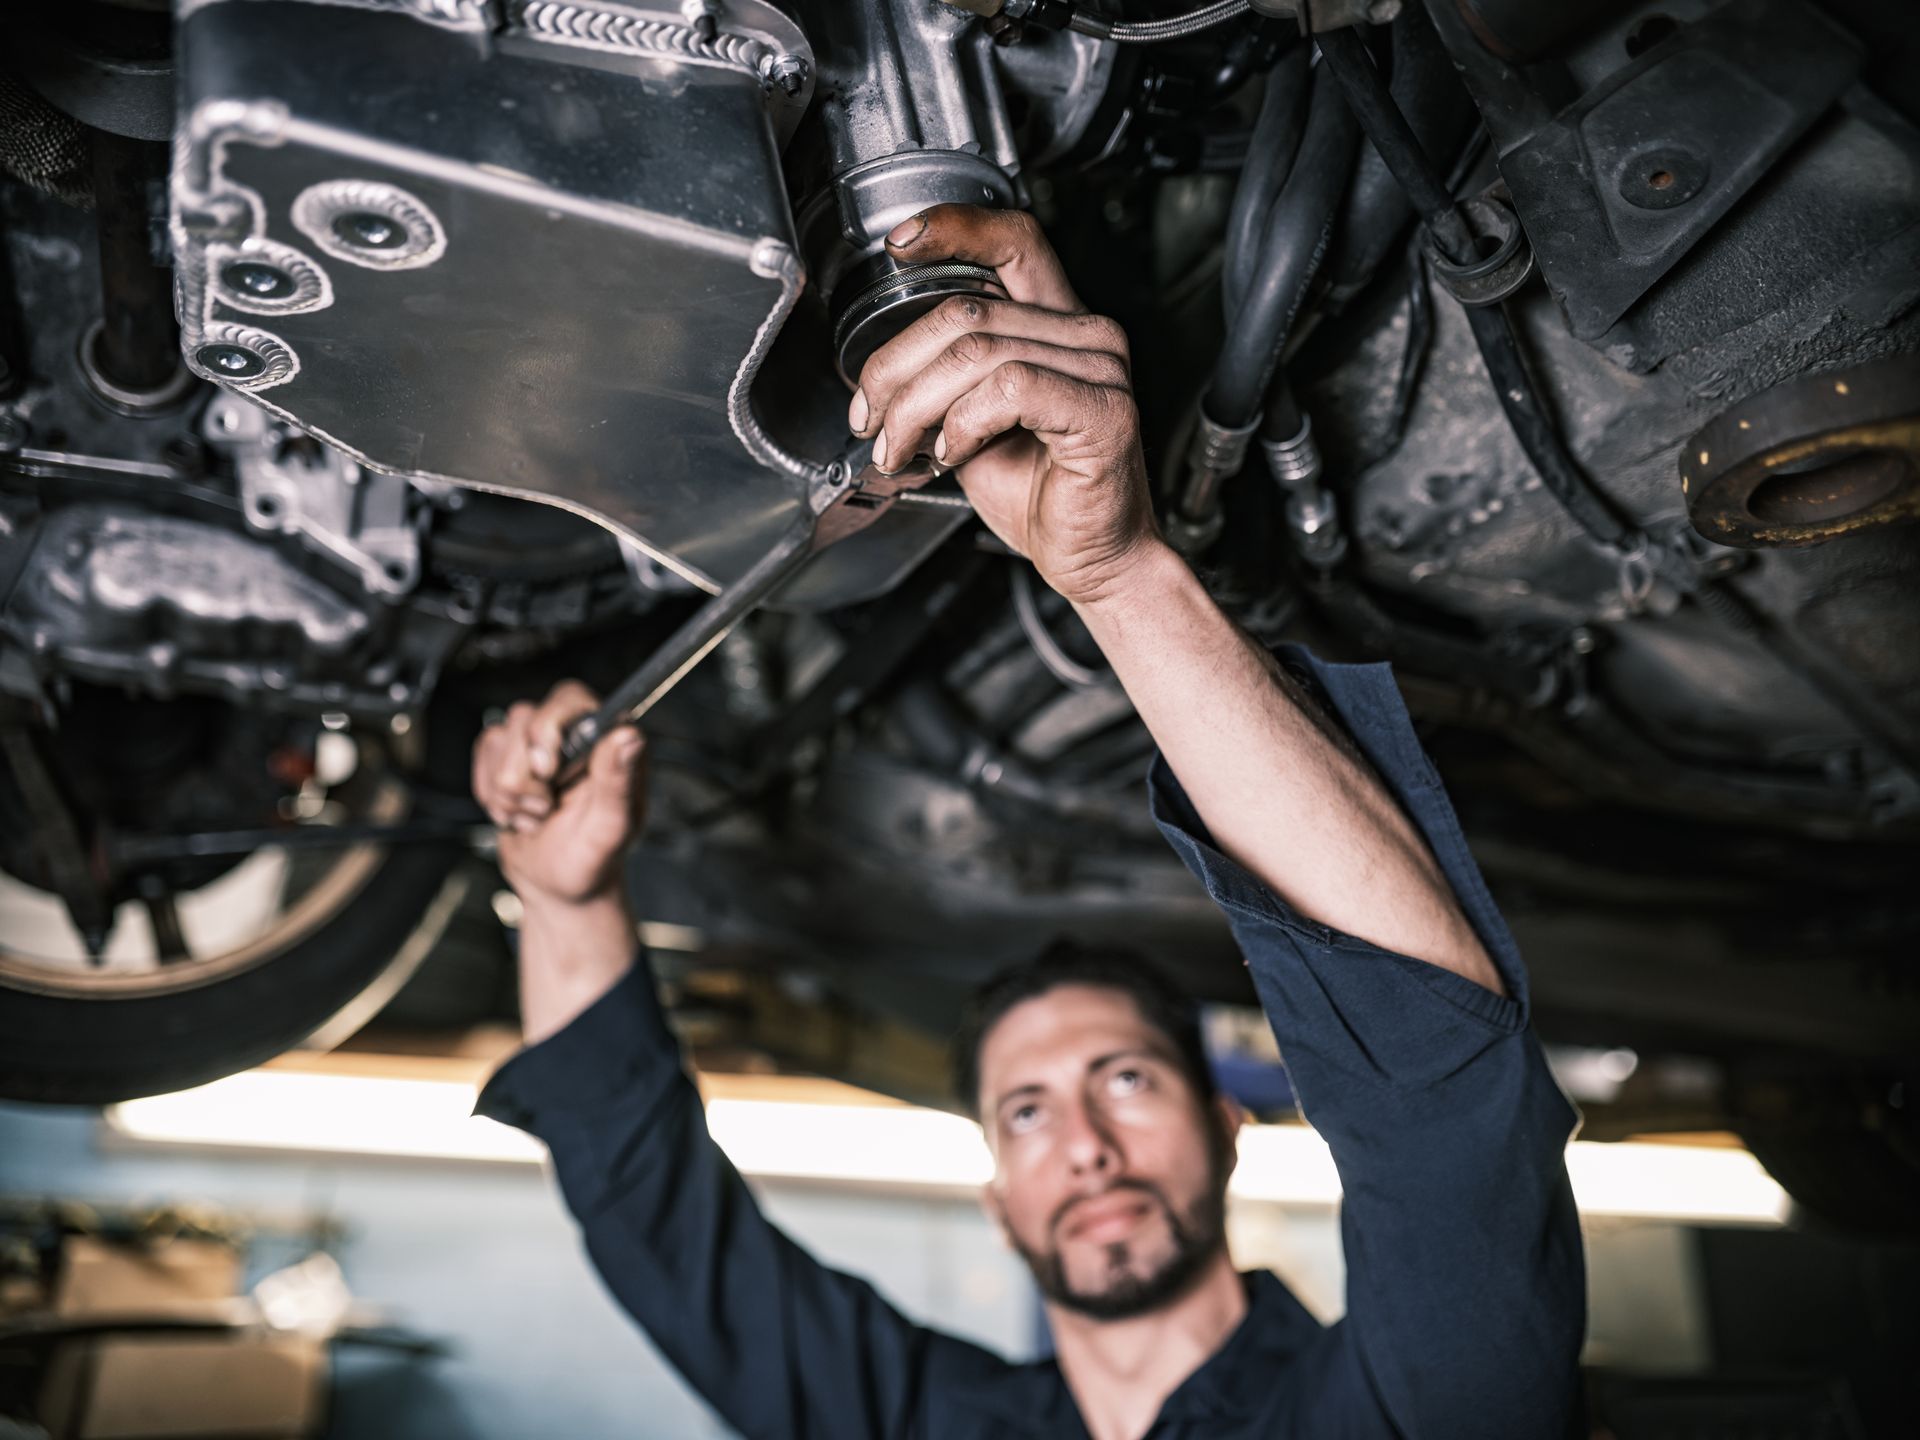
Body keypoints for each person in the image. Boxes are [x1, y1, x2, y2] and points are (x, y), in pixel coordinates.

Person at [470, 205, 1585, 1440]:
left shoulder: (1398, 1412)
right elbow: (668, 1237)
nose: (1088, 1148)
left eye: (1123, 1080)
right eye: (1031, 1113)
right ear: (1000, 1199)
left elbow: (1444, 1107)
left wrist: (1120, 575)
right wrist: (567, 902)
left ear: (1227, 1133)